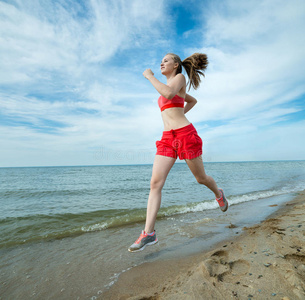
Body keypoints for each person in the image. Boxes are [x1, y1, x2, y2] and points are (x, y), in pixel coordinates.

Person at [128, 53, 228, 252]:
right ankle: (149, 233)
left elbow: (168, 94)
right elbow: (189, 101)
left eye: (165, 60)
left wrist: (149, 76)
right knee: (155, 183)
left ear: (175, 64)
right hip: (167, 138)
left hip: (185, 135)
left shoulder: (179, 79)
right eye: (161, 60)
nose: (161, 63)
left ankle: (218, 193)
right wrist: (179, 111)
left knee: (200, 179)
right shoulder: (170, 88)